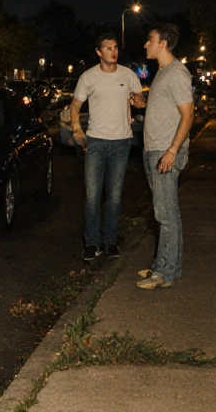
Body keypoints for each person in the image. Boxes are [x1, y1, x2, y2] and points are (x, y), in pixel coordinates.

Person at [129, 23, 194, 289]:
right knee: (165, 213)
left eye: (150, 40)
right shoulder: (163, 73)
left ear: (163, 44)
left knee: (165, 214)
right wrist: (144, 103)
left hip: (164, 151)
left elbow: (188, 115)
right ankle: (166, 267)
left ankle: (164, 274)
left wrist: (171, 151)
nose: (146, 44)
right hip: (154, 149)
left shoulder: (177, 73)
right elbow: (168, 108)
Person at [70, 33, 142, 262]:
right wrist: (76, 130)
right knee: (92, 197)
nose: (113, 51)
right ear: (99, 52)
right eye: (108, 48)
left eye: (115, 47)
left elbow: (140, 101)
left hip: (121, 142)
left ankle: (111, 242)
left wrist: (138, 102)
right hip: (96, 142)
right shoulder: (88, 77)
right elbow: (75, 106)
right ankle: (92, 243)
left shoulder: (128, 75)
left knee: (115, 196)